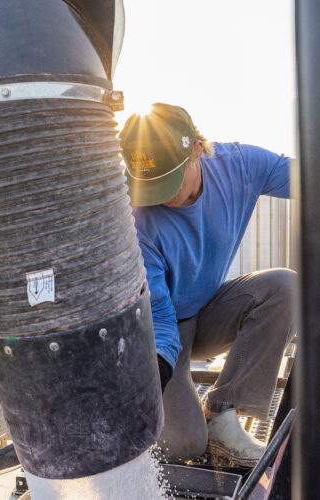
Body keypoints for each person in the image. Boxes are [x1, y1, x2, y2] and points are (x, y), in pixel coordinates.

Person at [119, 103, 296, 466]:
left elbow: (300, 175)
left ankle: (221, 414)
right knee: (183, 444)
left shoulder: (239, 166)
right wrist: (157, 373)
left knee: (285, 288)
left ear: (197, 148)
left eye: (168, 180)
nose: (159, 196)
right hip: (165, 331)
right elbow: (159, 315)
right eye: (147, 186)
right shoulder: (137, 220)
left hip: (209, 307)